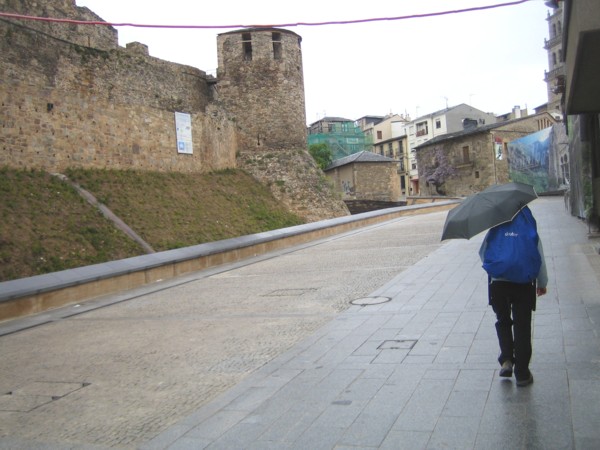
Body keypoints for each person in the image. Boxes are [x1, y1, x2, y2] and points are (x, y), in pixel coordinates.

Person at [479, 207, 548, 387]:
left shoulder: (495, 224)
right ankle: (523, 373)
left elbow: (483, 253)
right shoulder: (527, 224)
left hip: (498, 284)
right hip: (523, 283)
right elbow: (537, 253)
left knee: (502, 320)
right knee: (522, 325)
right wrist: (542, 282)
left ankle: (507, 359)